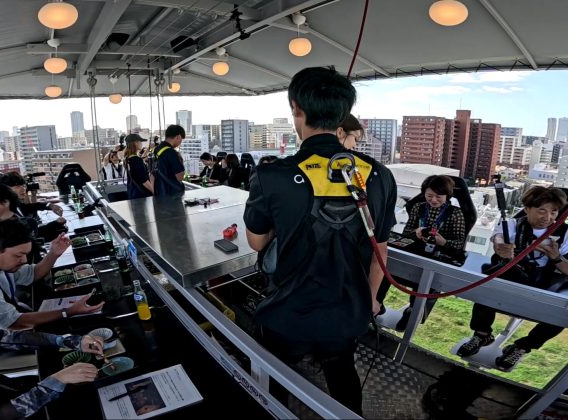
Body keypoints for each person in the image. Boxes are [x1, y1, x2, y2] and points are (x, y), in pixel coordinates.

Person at [243, 66, 397, 414]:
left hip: (287, 312)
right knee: (342, 374)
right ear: (343, 113)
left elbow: (256, 242)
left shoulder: (272, 174)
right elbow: (380, 249)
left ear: (296, 108)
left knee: (272, 380)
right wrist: (371, 299)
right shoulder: (378, 175)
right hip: (347, 311)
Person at [456, 186, 568, 370]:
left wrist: (555, 257)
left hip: (543, 282)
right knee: (490, 283)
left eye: (554, 212)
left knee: (563, 313)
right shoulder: (513, 225)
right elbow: (498, 238)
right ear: (527, 209)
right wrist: (502, 248)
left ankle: (523, 346)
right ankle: (482, 334)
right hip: (513, 275)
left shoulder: (564, 234)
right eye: (542, 211)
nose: (547, 217)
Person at [0, 218, 103, 330]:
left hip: (13, 319)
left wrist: (54, 253)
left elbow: (33, 273)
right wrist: (69, 311)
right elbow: (15, 323)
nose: (24, 260)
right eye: (18, 255)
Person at [377, 175, 467, 330]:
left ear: (447, 196)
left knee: (423, 284)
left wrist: (443, 242)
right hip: (415, 252)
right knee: (385, 269)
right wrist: (416, 232)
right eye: (429, 195)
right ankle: (376, 302)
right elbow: (406, 232)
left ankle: (412, 311)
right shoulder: (419, 207)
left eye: (438, 196)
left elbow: (459, 243)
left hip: (437, 257)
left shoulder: (455, 214)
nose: (433, 200)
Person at [0, 172, 66, 241]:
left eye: (23, 185)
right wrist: (54, 224)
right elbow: (28, 237)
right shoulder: (4, 215)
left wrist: (50, 206)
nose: (23, 189)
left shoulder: (14, 204)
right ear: (4, 190)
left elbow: (27, 207)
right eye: (17, 186)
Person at [152, 125, 186, 196]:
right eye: (181, 139)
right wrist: (180, 161)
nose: (180, 142)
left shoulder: (155, 149)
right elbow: (180, 177)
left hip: (159, 192)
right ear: (178, 137)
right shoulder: (171, 152)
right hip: (171, 194)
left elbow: (151, 174)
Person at [123, 134, 153, 199]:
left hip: (132, 192)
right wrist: (154, 191)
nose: (141, 144)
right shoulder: (137, 160)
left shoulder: (127, 159)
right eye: (140, 142)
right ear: (135, 143)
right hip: (141, 195)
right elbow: (144, 181)